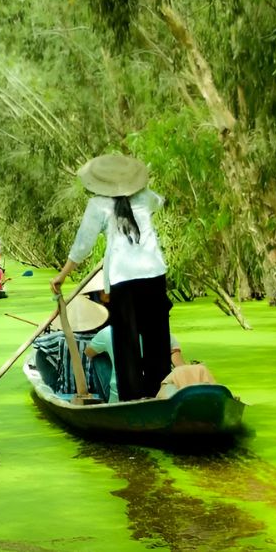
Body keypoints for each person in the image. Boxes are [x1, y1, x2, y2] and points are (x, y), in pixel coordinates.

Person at [51, 154, 171, 401]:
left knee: (126, 342)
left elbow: (83, 244)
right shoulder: (145, 196)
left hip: (123, 278)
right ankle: (160, 393)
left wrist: (62, 276)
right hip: (154, 273)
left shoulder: (98, 205)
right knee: (157, 338)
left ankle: (132, 400)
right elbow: (161, 201)